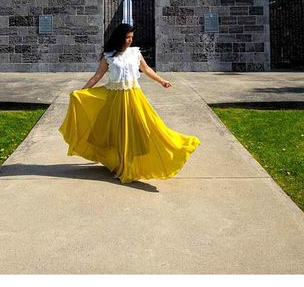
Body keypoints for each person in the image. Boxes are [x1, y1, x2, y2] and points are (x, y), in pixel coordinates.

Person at [58, 23, 200, 183]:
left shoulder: (135, 53)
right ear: (119, 37)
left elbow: (147, 70)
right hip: (114, 99)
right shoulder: (109, 55)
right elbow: (97, 76)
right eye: (127, 37)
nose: (129, 41)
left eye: (131, 37)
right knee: (117, 133)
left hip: (134, 97)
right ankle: (122, 166)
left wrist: (162, 81)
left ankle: (169, 150)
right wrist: (81, 92)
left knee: (146, 128)